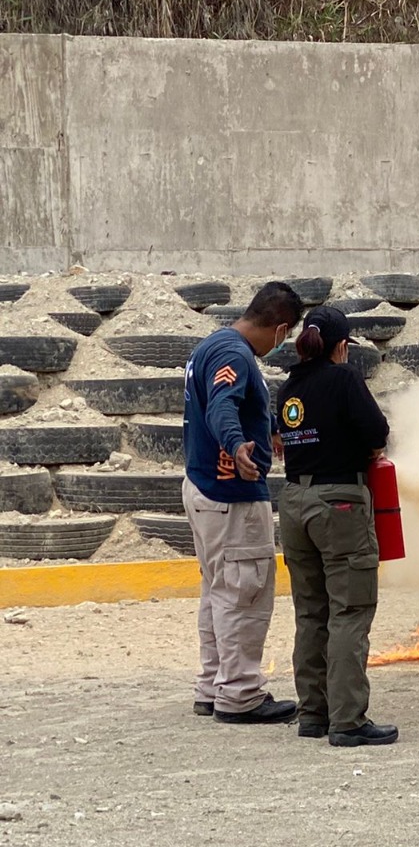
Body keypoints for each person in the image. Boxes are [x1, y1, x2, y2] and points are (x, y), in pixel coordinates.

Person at [276, 306, 397, 747]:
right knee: (350, 609)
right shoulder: (344, 378)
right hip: (339, 504)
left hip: (294, 502)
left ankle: (314, 713)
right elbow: (376, 432)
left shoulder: (288, 388)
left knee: (311, 612)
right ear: (341, 346)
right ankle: (347, 721)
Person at [183, 280, 304, 725]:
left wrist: (269, 426)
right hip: (231, 495)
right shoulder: (235, 356)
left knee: (217, 592)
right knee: (244, 594)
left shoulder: (213, 346)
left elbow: (235, 400)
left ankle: (213, 686)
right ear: (281, 329)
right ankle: (240, 695)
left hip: (203, 489)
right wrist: (237, 446)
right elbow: (222, 406)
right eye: (286, 337)